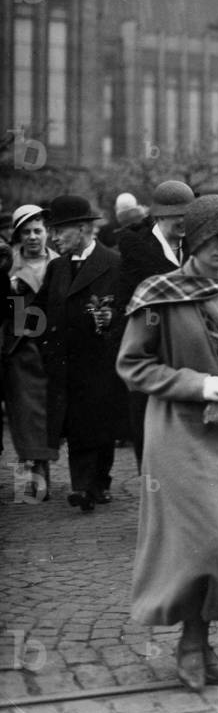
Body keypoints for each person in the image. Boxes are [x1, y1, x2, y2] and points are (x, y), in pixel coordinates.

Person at [117, 195, 218, 693]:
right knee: (210, 545)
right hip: (178, 434)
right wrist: (198, 383)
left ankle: (199, 639)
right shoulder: (159, 293)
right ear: (192, 240)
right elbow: (132, 365)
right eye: (213, 237)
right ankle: (192, 642)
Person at [36, 195, 126, 512]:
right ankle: (83, 487)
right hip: (66, 364)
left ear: (84, 228)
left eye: (60, 230)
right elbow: (38, 310)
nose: (54, 237)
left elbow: (128, 309)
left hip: (101, 362)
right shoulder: (57, 267)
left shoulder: (114, 263)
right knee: (77, 428)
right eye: (52, 231)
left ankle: (99, 482)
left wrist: (112, 318)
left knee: (100, 427)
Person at [116, 180, 196, 470]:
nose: (184, 222)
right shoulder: (136, 247)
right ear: (160, 216)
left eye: (188, 215)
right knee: (149, 427)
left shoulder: (196, 245)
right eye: (178, 216)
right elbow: (128, 303)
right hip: (150, 351)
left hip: (190, 350)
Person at [3, 205, 59, 500]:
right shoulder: (7, 266)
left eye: (38, 230)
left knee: (49, 413)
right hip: (21, 352)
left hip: (53, 350)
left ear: (47, 233)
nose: (33, 237)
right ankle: (35, 473)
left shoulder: (60, 264)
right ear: (18, 236)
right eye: (26, 232)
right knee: (26, 415)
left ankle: (44, 468)